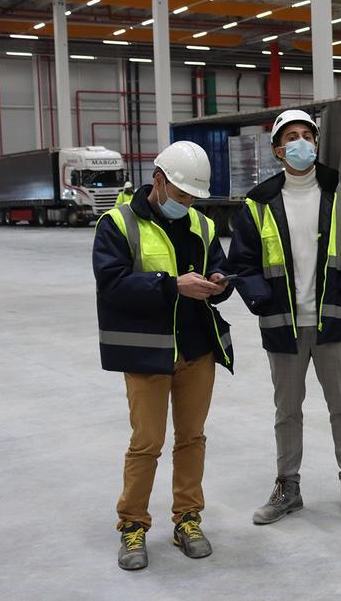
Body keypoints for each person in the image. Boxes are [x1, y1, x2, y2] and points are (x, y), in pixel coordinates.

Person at [227, 109, 341, 525]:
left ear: (316, 143)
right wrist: (261, 302)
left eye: (307, 136)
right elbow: (242, 262)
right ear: (278, 150)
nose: (300, 143)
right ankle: (287, 486)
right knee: (287, 410)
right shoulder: (258, 203)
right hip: (282, 325)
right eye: (291, 137)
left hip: (332, 321)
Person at [92, 141, 235, 571]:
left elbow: (219, 269)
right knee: (147, 442)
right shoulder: (117, 224)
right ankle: (133, 525)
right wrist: (172, 284)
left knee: (192, 439)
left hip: (196, 350)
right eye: (182, 194)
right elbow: (112, 284)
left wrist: (218, 282)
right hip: (148, 355)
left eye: (194, 197)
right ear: (158, 181)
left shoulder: (203, 225)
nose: (188, 203)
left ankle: (187, 519)